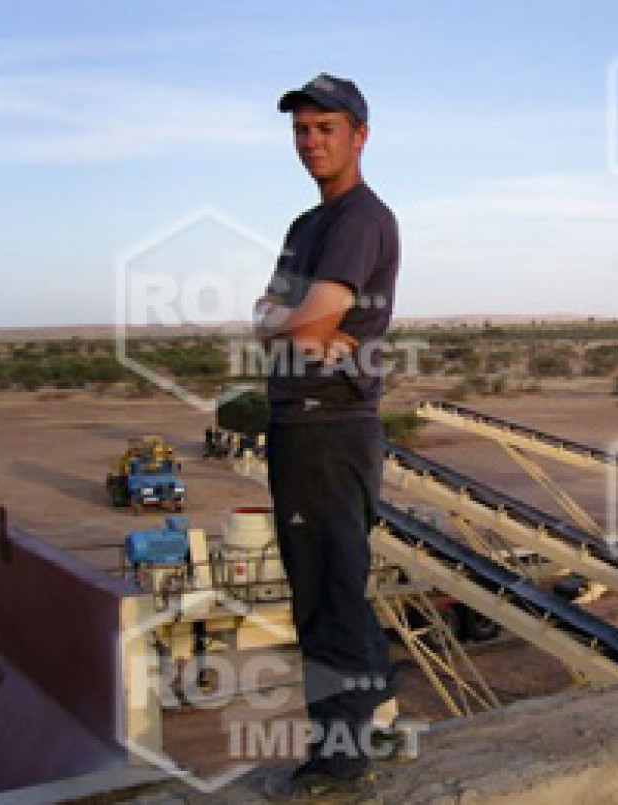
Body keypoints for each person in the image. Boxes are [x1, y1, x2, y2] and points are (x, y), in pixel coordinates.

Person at [254, 72, 400, 800]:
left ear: (359, 136)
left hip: (328, 428)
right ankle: (374, 719)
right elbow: (270, 315)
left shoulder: (359, 220)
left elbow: (294, 323)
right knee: (334, 579)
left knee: (326, 588)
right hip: (300, 424)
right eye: (301, 130)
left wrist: (300, 324)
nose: (311, 141)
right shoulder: (303, 227)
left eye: (326, 128)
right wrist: (297, 324)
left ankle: (341, 757)